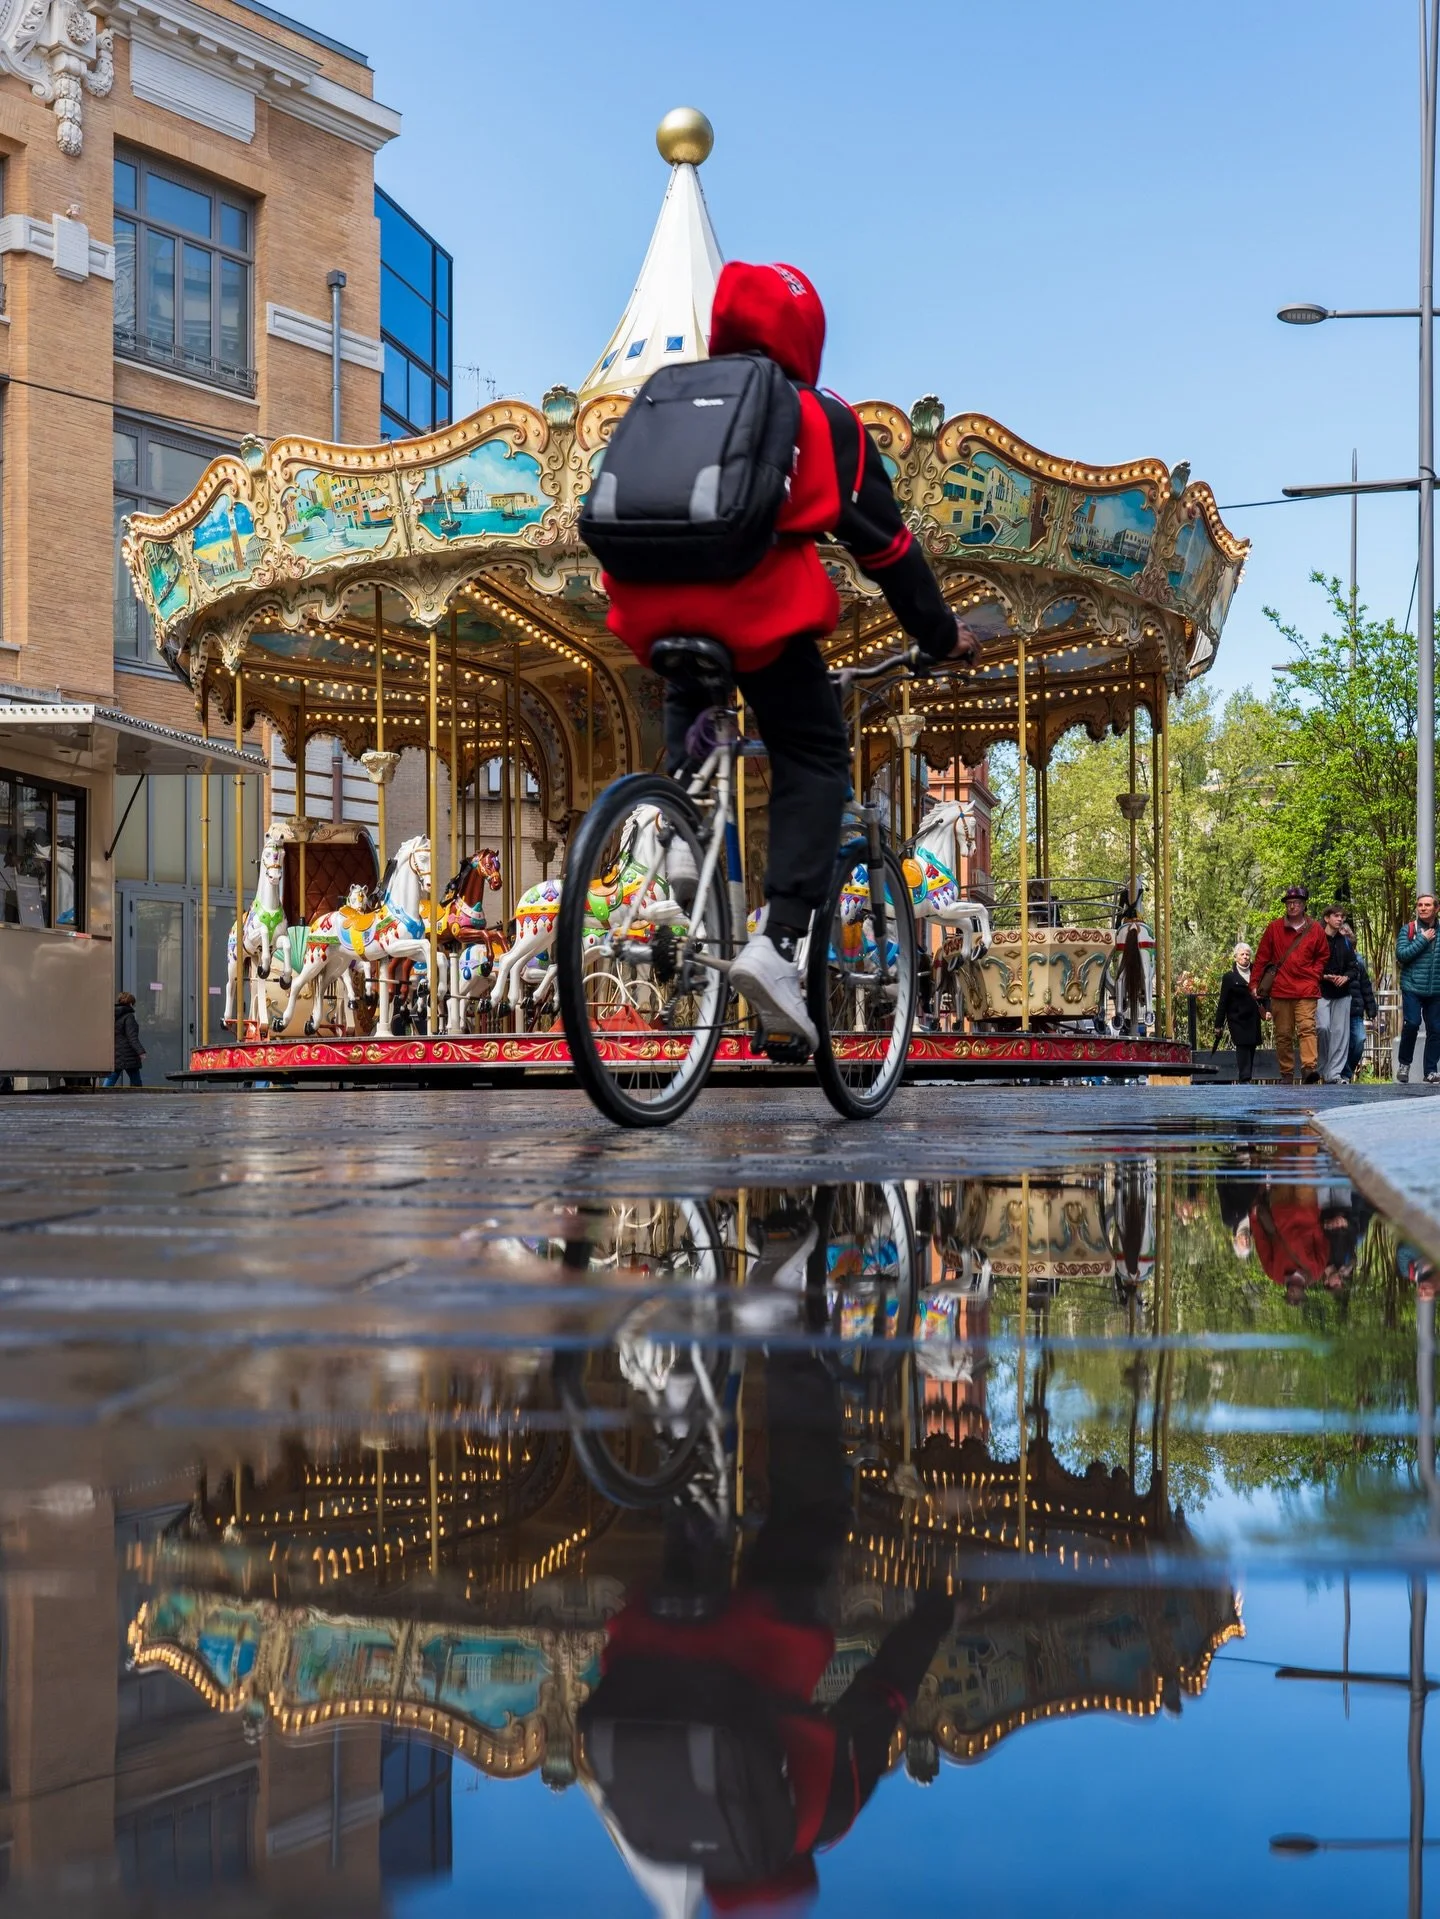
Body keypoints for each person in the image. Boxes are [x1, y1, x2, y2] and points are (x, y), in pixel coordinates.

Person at [603, 260, 977, 1050]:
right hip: (755, 614)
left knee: (698, 717)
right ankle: (776, 944)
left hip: (647, 606)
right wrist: (942, 638)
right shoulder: (819, 418)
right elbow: (891, 552)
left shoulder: (671, 393)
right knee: (815, 755)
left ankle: (678, 823)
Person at [1253, 884, 1328, 1085]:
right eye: (1289, 903)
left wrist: (1315, 974)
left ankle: (1308, 1068)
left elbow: (1323, 956)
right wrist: (1254, 984)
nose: (1292, 906)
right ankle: (1286, 1073)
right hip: (1280, 989)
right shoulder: (1274, 928)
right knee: (1283, 1033)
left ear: (1304, 905)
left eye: (1296, 903)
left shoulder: (1315, 929)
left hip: (1306, 988)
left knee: (1307, 1027)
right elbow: (1261, 958)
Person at [1396, 890, 1440, 1083]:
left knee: (1436, 1029)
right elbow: (1402, 955)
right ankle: (1404, 1064)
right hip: (1412, 986)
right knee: (1412, 1023)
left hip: (1436, 990)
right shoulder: (1409, 929)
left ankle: (1430, 1071)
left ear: (1436, 908)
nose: (1423, 908)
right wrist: (1423, 940)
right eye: (1420, 905)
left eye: (1427, 905)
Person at [1315, 903, 1357, 1084]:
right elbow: (1308, 966)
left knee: (1340, 1034)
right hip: (1322, 991)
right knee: (1322, 1028)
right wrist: (1324, 976)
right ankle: (1321, 1069)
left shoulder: (1345, 941)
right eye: (1336, 916)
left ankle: (1334, 1074)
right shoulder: (1316, 939)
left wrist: (1345, 978)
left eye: (1342, 917)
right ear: (1327, 918)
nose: (1340, 919)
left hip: (1342, 993)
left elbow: (1353, 967)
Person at [1211, 941, 1262, 1083]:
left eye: (1247, 954)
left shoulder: (1257, 974)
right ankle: (1244, 1078)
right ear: (1236, 957)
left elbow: (1264, 994)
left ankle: (1247, 1077)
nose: (1245, 957)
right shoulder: (1229, 977)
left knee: (1251, 1048)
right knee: (1242, 1046)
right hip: (1237, 1019)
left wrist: (1267, 1010)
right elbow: (1223, 1002)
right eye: (1242, 954)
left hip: (1253, 1018)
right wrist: (1218, 1025)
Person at [1341, 921, 1377, 1082]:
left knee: (1359, 1040)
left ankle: (1346, 1072)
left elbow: (1366, 986)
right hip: (1338, 1009)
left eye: (1347, 937)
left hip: (1355, 1009)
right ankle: (1342, 1075)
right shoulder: (1330, 959)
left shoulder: (1358, 960)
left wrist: (1371, 1009)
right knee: (1341, 1044)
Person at [105, 991, 145, 1088]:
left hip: (115, 1053)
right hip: (128, 1055)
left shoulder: (111, 1015)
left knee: (110, 1079)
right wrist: (141, 1052)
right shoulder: (129, 1017)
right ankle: (139, 1100)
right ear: (130, 1003)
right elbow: (132, 1037)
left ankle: (100, 1096)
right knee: (136, 1082)